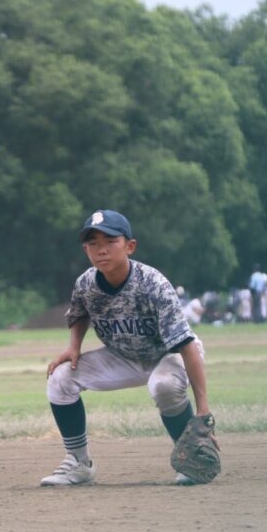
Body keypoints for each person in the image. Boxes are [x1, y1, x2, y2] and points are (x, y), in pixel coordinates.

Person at [41, 209, 214, 487]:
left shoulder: (153, 284)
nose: (101, 250)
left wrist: (203, 408)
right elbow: (79, 313)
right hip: (123, 357)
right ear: (85, 248)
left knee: (164, 386)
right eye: (93, 243)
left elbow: (186, 345)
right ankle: (79, 464)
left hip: (168, 355)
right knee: (61, 377)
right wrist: (74, 346)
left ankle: (191, 458)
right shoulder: (86, 284)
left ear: (129, 246)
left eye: (110, 241)